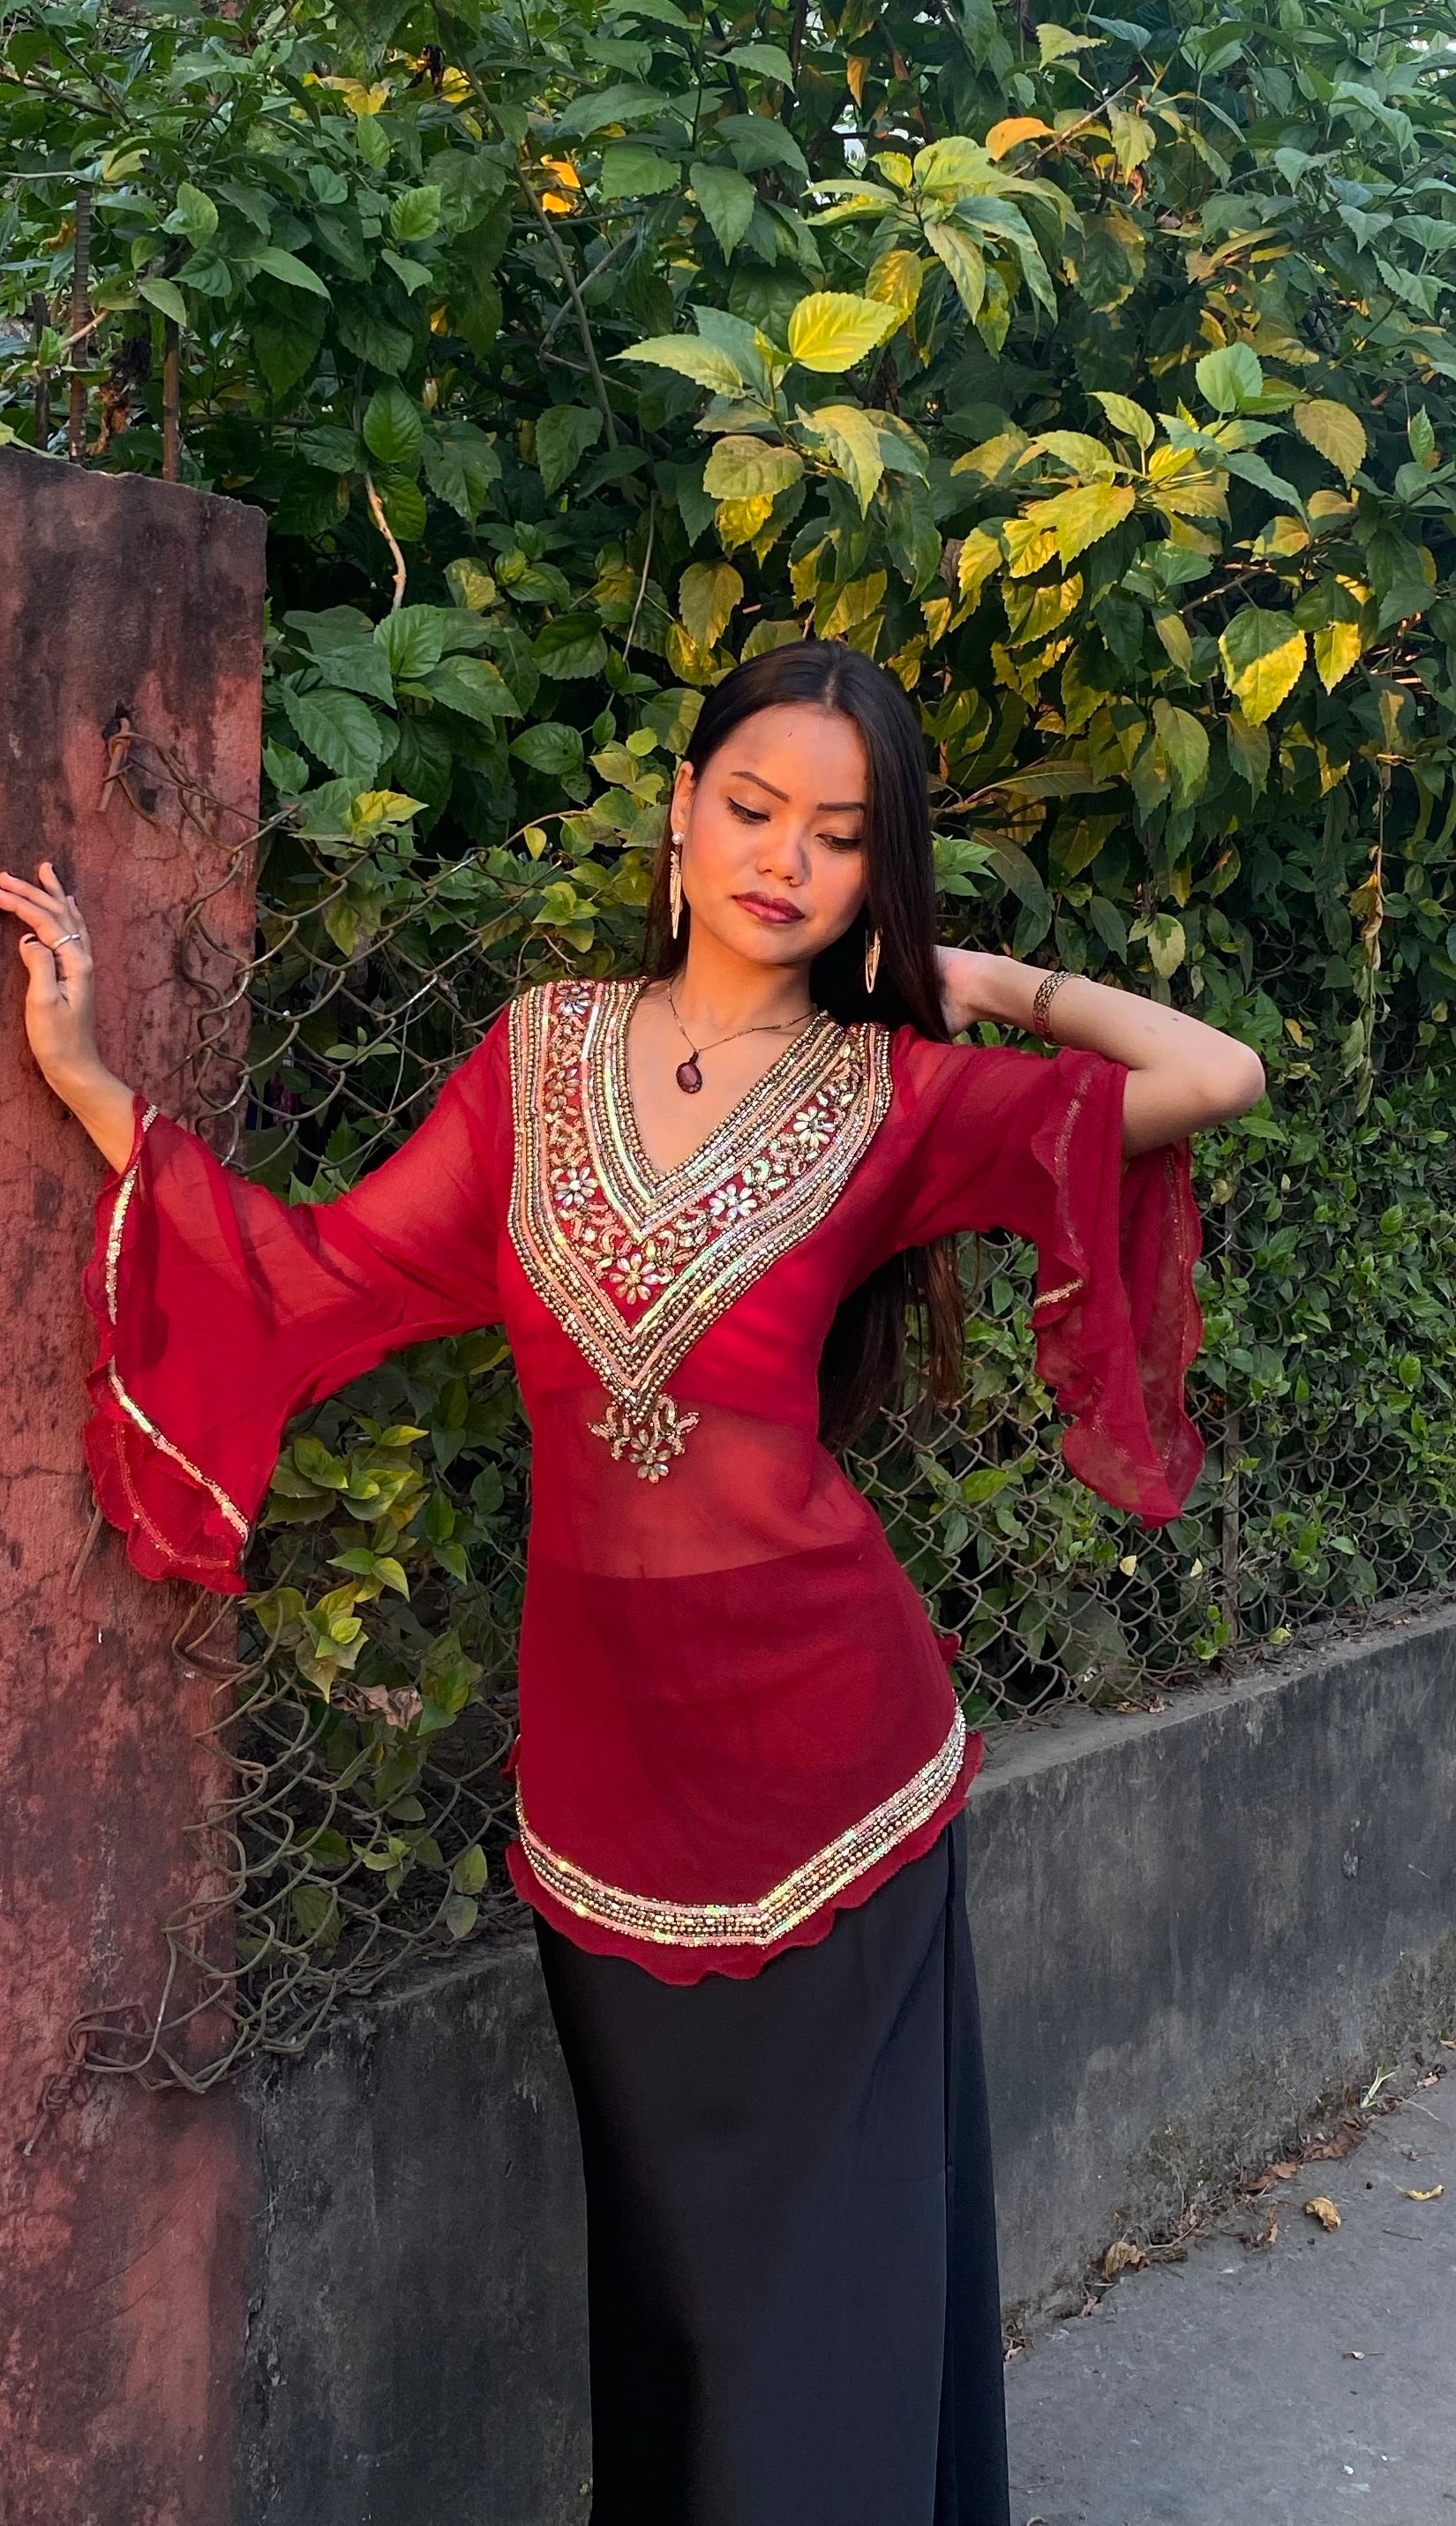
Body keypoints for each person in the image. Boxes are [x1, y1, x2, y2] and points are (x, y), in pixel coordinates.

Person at [0, 639, 1264, 2525]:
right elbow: (319, 1277)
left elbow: (1214, 1074)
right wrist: (97, 1087)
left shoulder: (899, 1096)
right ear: (681, 811)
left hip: (838, 1782)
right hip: (608, 1794)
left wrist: (983, 981)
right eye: (751, 807)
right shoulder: (538, 1057)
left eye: (841, 835)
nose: (784, 859)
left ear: (877, 871)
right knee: (677, 2309)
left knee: (815, 2311)